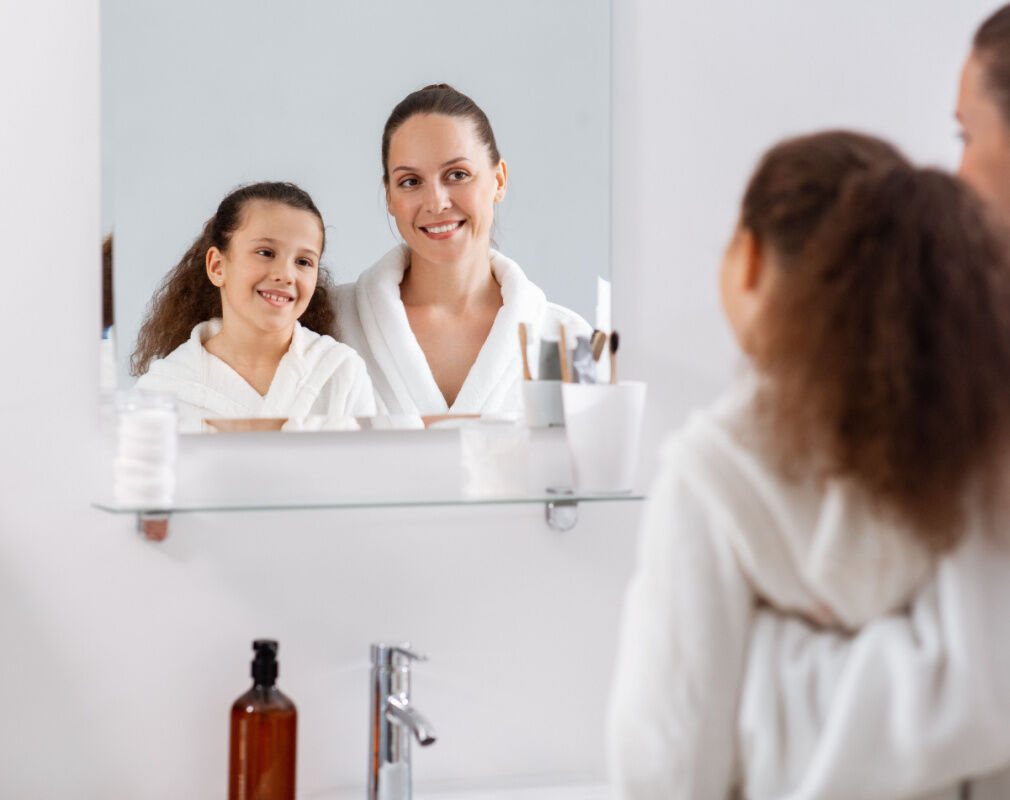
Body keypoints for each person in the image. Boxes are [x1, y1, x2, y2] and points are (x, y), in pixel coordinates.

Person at [607, 130, 1010, 799]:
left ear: (750, 261)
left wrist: (765, 670)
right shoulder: (981, 450)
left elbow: (666, 767)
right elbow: (984, 678)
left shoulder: (715, 476)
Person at [333, 84, 590, 418]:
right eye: (410, 181)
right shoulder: (332, 324)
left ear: (499, 180)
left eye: (457, 175)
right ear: (389, 196)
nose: (436, 203)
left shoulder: (567, 340)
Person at [132, 181, 376, 432]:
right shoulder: (161, 391)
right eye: (266, 253)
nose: (286, 275)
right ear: (217, 266)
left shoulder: (341, 372)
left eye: (303, 261)